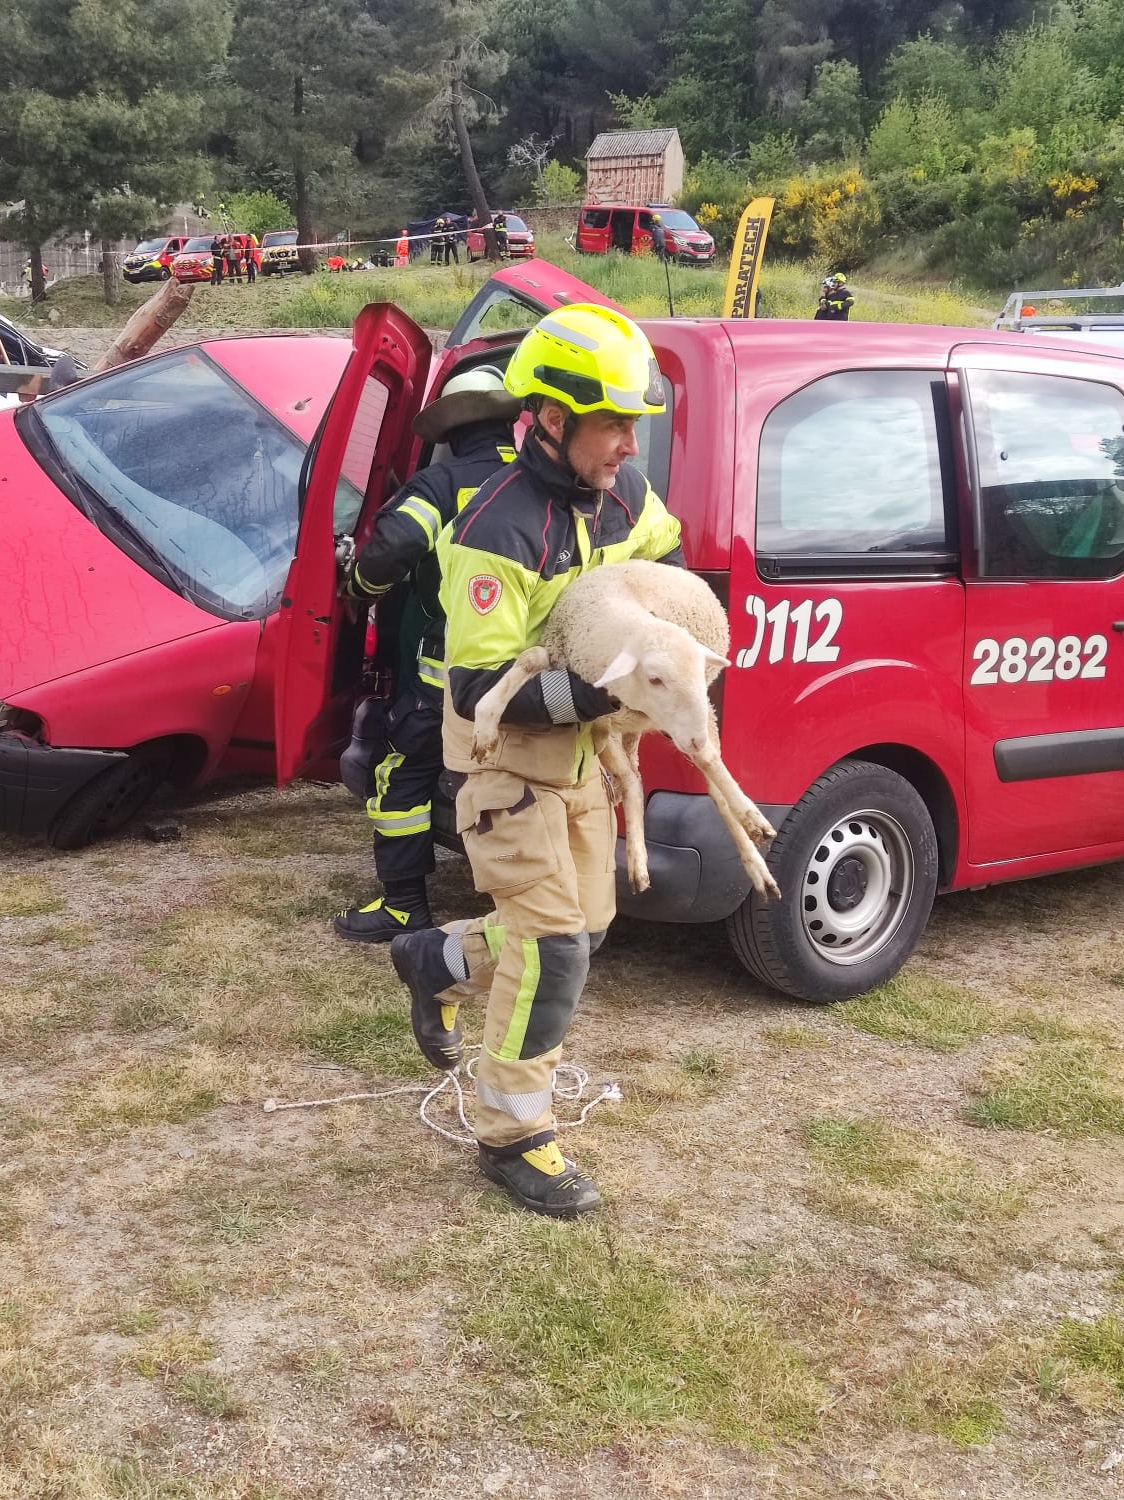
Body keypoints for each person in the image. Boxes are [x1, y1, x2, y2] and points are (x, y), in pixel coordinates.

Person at [389, 305, 683, 1218]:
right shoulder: (496, 531)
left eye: (635, 425)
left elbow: (662, 570)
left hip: (581, 764)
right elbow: (481, 690)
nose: (629, 447)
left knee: (585, 933)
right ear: (550, 420)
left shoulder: (627, 498)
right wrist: (607, 690)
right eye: (610, 425)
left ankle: (435, 958)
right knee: (555, 951)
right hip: (502, 764)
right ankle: (514, 1133)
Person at [335, 367, 523, 943]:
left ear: (452, 429)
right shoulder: (533, 483)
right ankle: (526, 911)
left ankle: (403, 907)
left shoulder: (441, 486)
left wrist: (357, 588)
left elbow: (394, 547)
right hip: (531, 679)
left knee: (402, 777)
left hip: (447, 674)